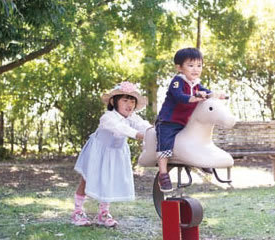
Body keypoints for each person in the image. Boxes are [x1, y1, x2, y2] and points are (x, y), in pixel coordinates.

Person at [71, 81, 151, 227]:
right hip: (98, 150)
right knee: (87, 178)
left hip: (115, 153)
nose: (129, 104)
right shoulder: (108, 117)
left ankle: (103, 213)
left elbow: (143, 125)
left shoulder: (132, 118)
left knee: (110, 178)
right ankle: (77, 212)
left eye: (132, 101)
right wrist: (138, 135)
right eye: (125, 100)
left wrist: (152, 132)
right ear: (114, 102)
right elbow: (120, 128)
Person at [156, 47, 226, 192]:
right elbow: (179, 96)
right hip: (169, 121)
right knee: (165, 145)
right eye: (191, 65)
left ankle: (201, 159)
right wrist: (194, 97)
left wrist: (216, 95)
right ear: (179, 68)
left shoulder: (196, 84)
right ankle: (163, 174)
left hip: (185, 122)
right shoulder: (177, 81)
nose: (196, 69)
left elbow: (207, 93)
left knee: (197, 136)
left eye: (199, 65)